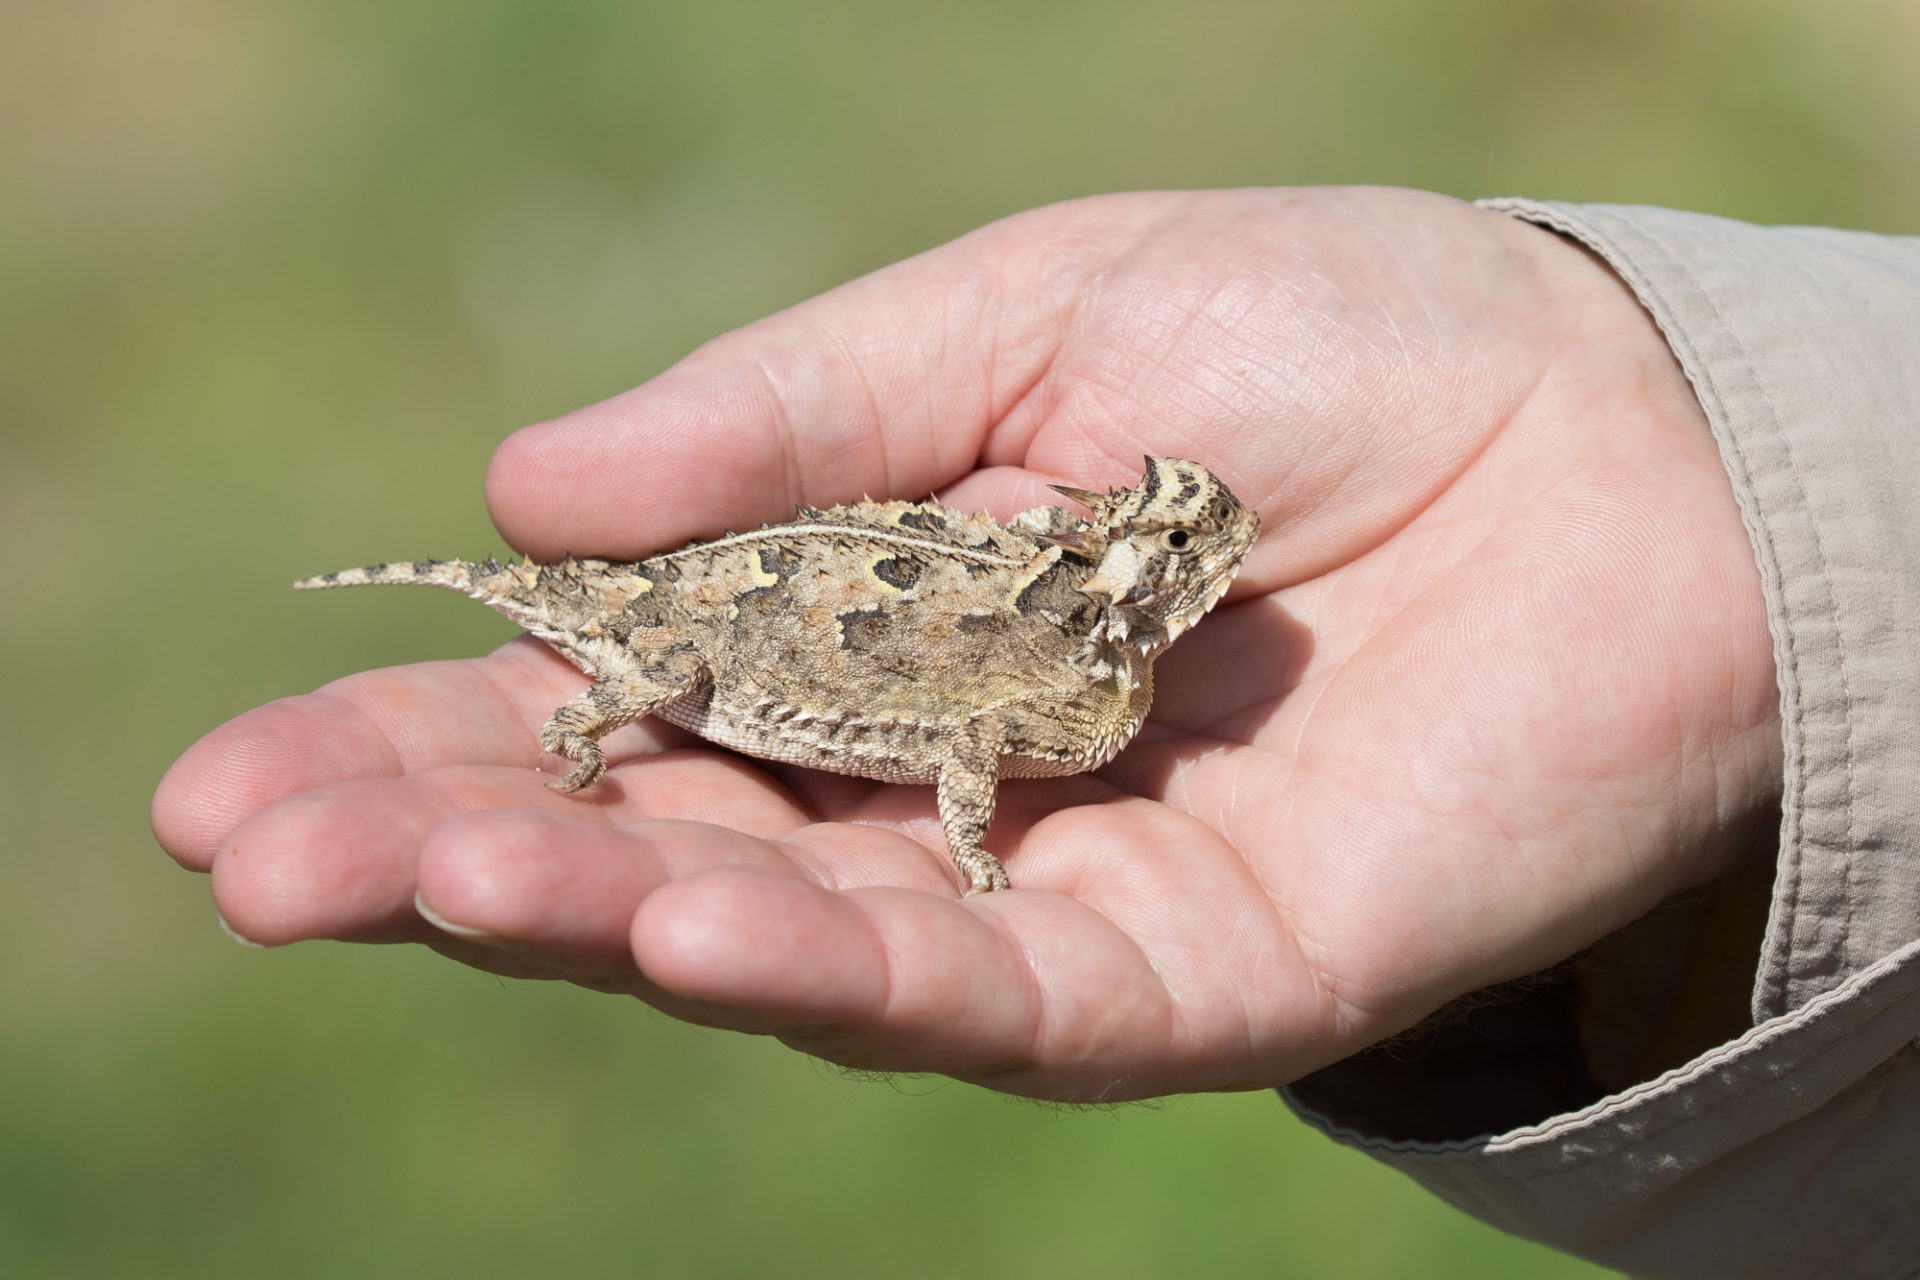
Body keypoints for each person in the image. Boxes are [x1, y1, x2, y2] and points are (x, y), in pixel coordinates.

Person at [151, 187, 1920, 1277]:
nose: (1220, 552)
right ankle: (604, 694)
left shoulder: (1103, 658)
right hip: (701, 630)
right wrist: (973, 848)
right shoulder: (1070, 679)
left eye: (1197, 533)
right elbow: (973, 748)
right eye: (1184, 533)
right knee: (659, 670)